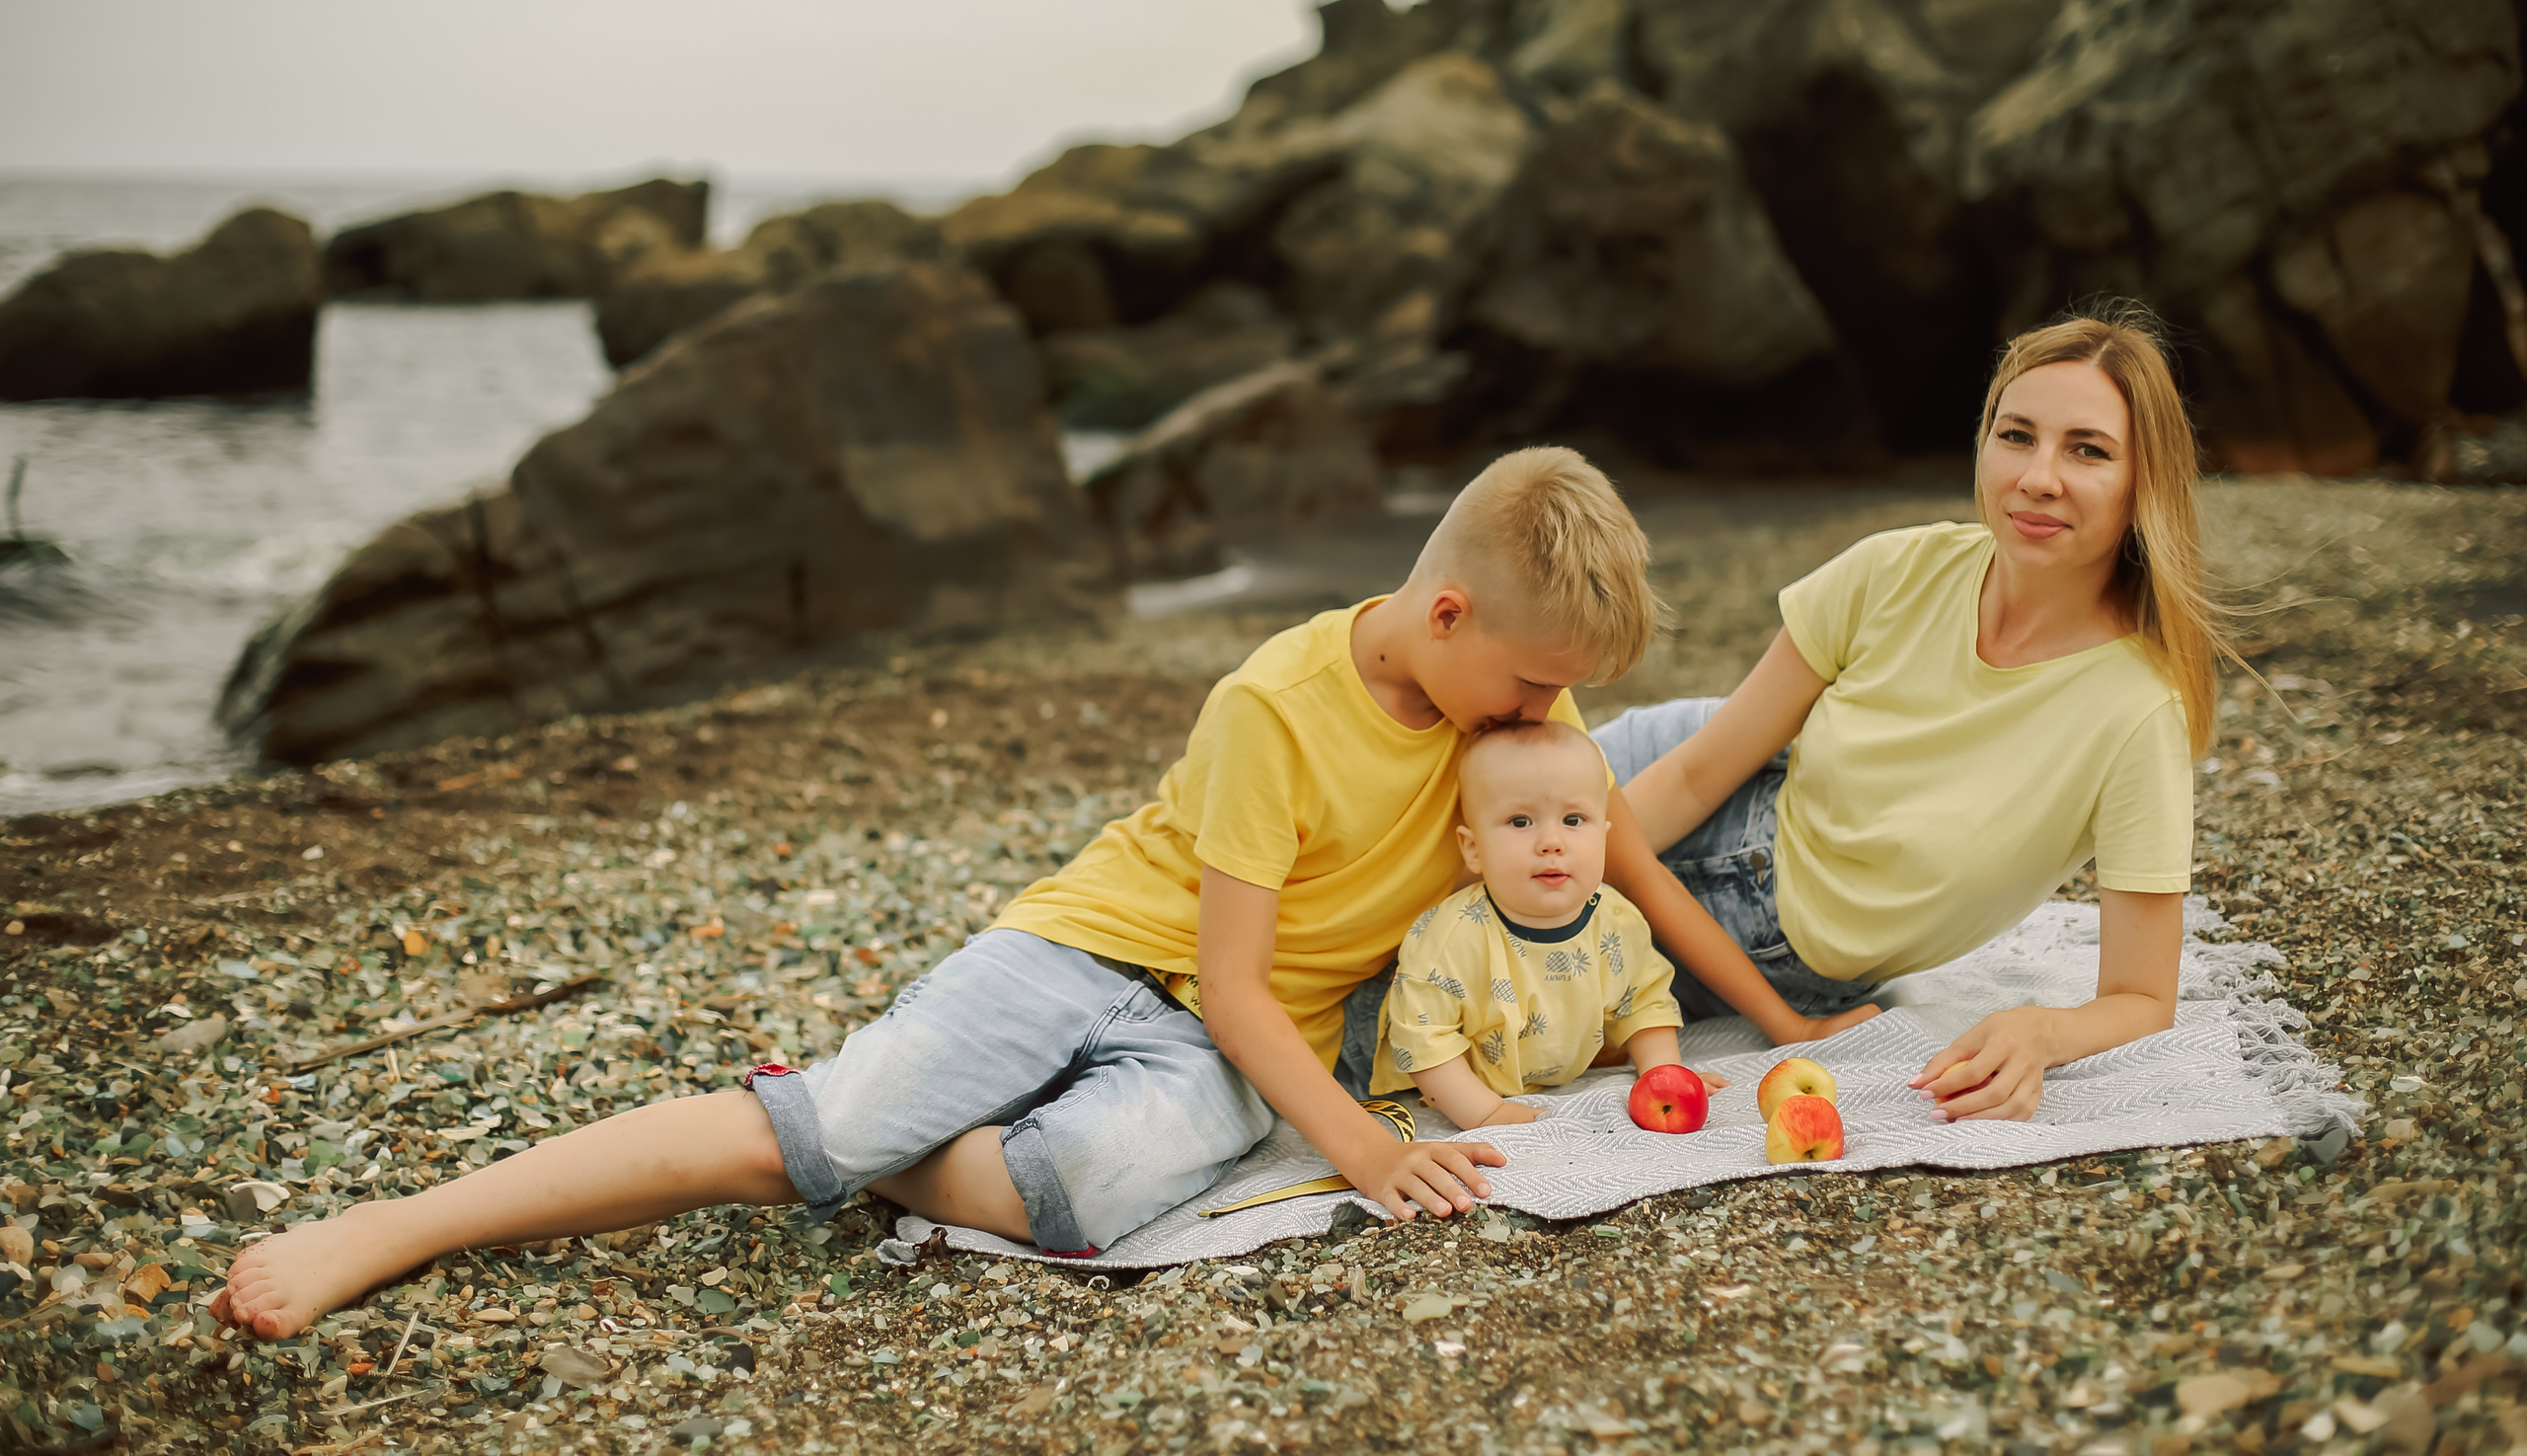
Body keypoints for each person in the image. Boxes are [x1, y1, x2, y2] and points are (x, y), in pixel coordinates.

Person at [213, 447, 1873, 1341]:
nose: (1541, 716)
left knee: (1085, 1191)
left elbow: (1625, 856)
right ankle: (402, 1223)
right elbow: (1231, 975)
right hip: (1091, 952)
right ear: (1446, 616)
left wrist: (1776, 1016)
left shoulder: (1512, 699)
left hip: (1223, 1048)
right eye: (1525, 684)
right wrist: (1367, 1150)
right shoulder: (1275, 707)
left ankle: (873, 1139)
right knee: (815, 1132)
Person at [1600, 307, 2227, 1124]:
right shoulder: (1893, 568)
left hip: (1767, 955)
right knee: (1452, 857)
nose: (2039, 476)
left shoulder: (2138, 713)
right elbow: (1692, 772)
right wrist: (1554, 869)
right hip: (1643, 789)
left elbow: (2142, 995)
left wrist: (2040, 1030)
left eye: (2088, 449)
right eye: (2016, 435)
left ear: (2145, 481)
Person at [1372, 718, 1724, 1131]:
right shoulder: (1451, 940)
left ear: (1604, 837)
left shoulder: (1616, 920)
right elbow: (1423, 1037)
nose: (1552, 842)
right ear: (1474, 849)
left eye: (1573, 820)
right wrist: (1485, 1113)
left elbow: (1645, 1000)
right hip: (1436, 1086)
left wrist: (1662, 1077)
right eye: (1521, 822)